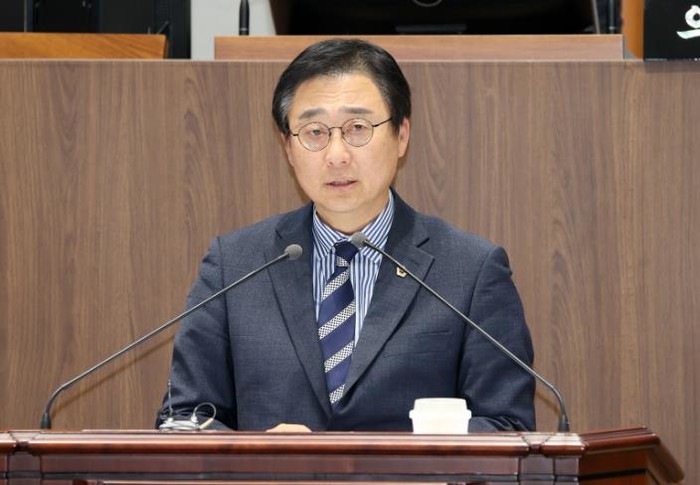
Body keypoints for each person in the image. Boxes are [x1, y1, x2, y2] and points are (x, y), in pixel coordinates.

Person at [157, 38, 535, 432]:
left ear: (402, 134)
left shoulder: (470, 270)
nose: (336, 155)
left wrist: (383, 457)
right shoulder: (234, 266)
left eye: (357, 128)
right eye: (314, 132)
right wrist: (259, 455)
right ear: (288, 147)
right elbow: (182, 419)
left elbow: (509, 426)